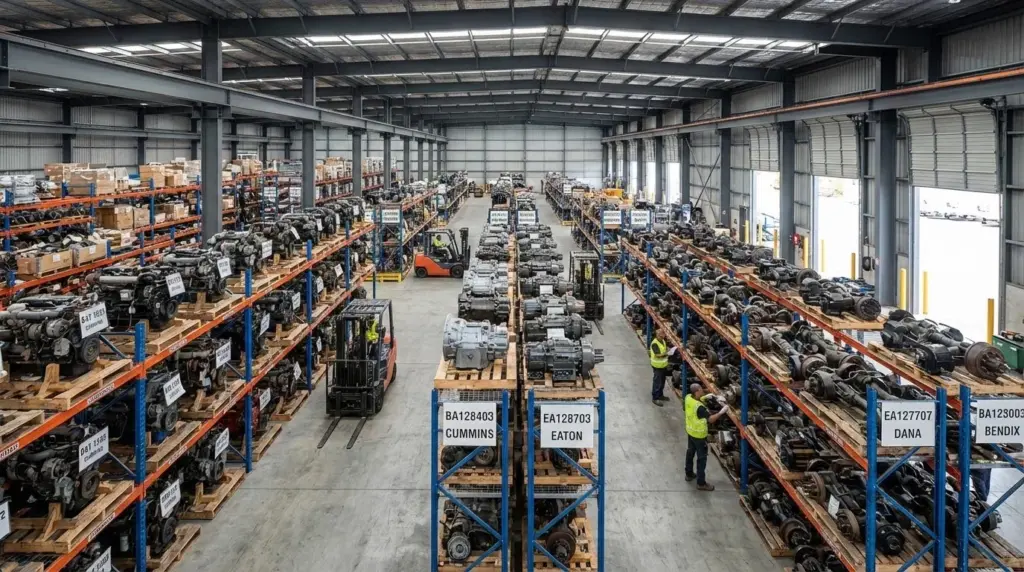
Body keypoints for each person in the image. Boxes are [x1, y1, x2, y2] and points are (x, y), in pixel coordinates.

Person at [685, 383, 729, 491]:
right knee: (702, 459)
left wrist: (707, 397)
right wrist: (721, 412)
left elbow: (696, 401)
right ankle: (701, 483)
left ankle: (689, 474)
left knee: (690, 453)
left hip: (690, 432)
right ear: (696, 392)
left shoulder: (688, 398)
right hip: (699, 436)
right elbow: (711, 419)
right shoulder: (700, 408)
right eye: (701, 390)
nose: (702, 390)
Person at [649, 331, 670, 406]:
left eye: (663, 336)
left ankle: (660, 395)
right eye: (661, 336)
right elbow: (657, 355)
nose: (662, 338)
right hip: (657, 366)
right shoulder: (654, 343)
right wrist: (667, 353)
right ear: (657, 335)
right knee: (657, 382)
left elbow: (663, 350)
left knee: (662, 381)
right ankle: (655, 398)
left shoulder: (663, 341)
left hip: (663, 365)